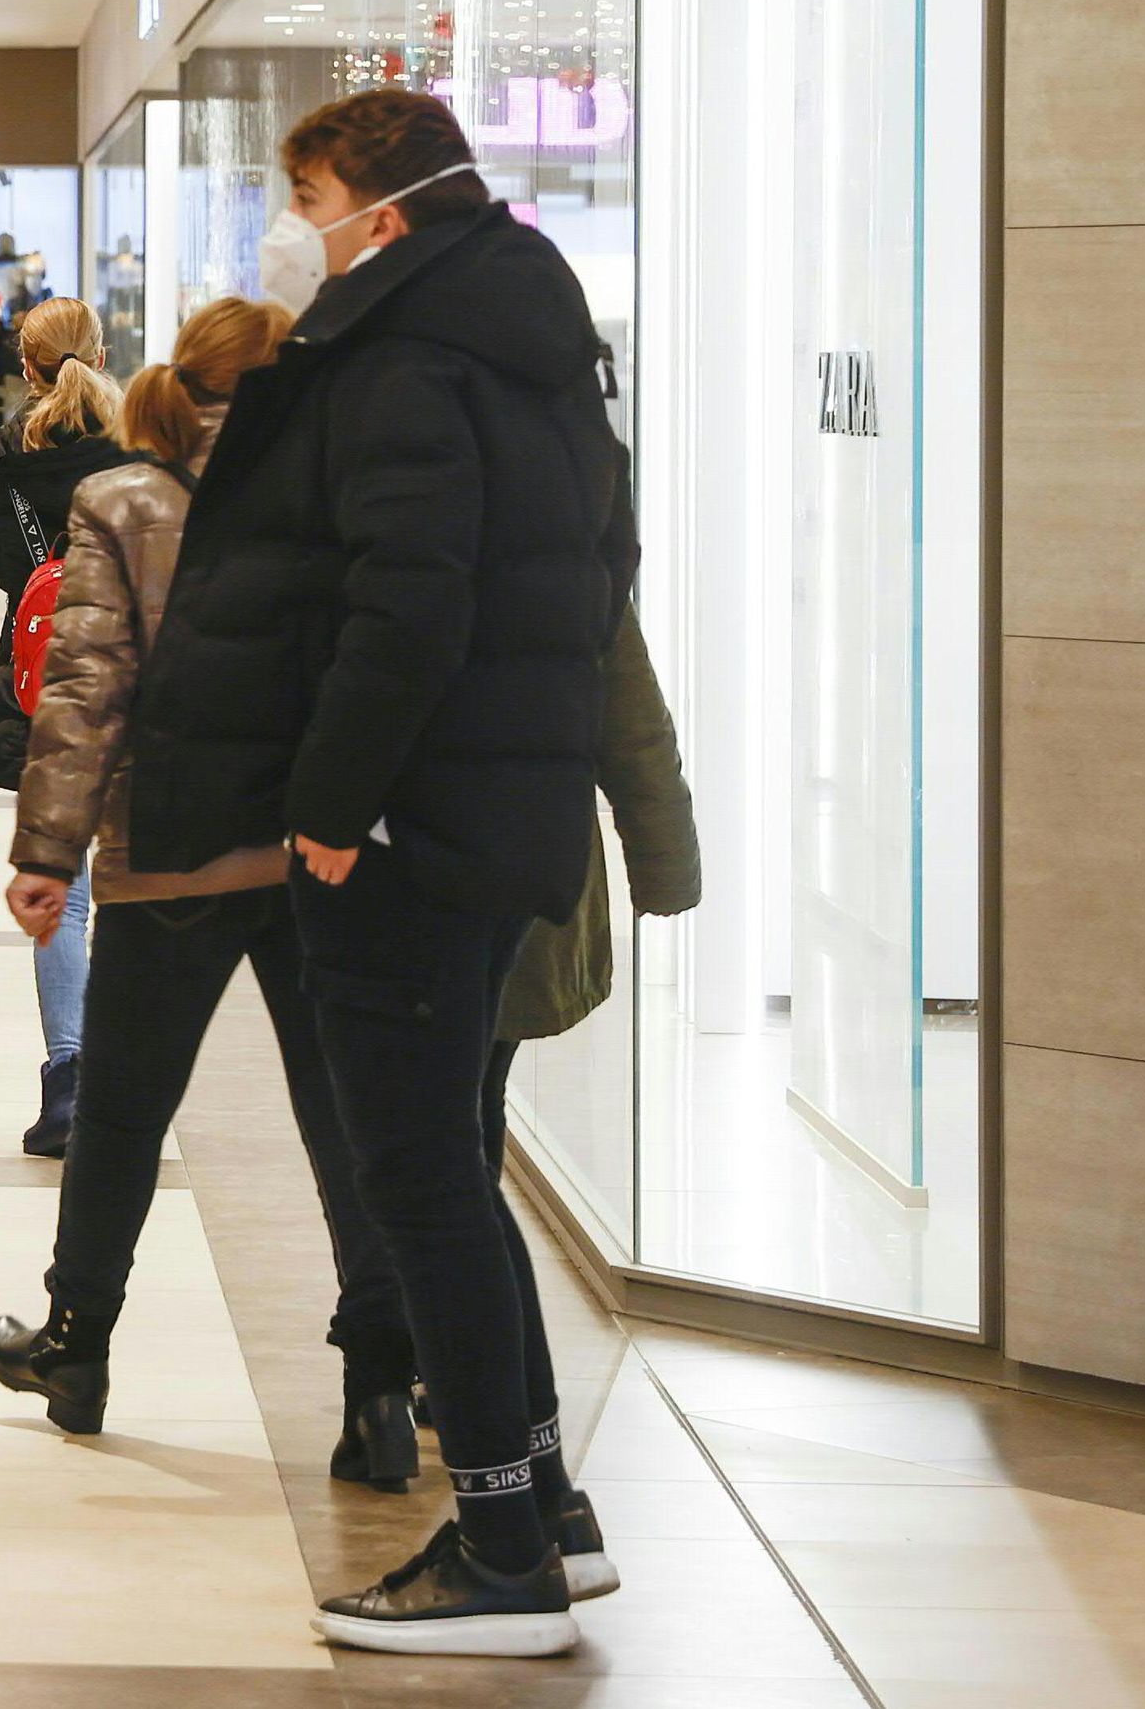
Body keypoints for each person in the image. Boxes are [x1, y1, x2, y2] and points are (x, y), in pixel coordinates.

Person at [127, 88, 629, 1657]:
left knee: (415, 1181)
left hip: (409, 830)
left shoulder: (409, 360)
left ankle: (496, 1551)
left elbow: (406, 603)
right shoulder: (526, 348)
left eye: (310, 193)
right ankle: (546, 1504)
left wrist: (332, 809)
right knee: (450, 1178)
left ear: (383, 214)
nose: (293, 226)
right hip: (488, 813)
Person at [0, 297, 422, 1498]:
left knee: (121, 1108)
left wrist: (46, 851)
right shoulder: (346, 494)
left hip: (171, 847)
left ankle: (75, 1348)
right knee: (349, 1122)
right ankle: (379, 1386)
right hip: (326, 854)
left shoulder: (122, 501)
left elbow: (82, 691)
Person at [467, 587, 700, 1604]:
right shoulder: (563, 515)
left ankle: (489, 1432)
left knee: (438, 1162)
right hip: (534, 882)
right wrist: (663, 859)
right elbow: (631, 715)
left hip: (430, 888)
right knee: (461, 1137)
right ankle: (486, 1413)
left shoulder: (393, 513)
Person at [0, 292, 135, 1155]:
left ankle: (67, 1077)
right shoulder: (141, 440)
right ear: (99, 354)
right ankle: (121, 1081)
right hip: (136, 673)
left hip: (44, 677)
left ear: (25, 366)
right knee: (133, 878)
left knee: (60, 886)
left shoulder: (2, 452)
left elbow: (7, 569)